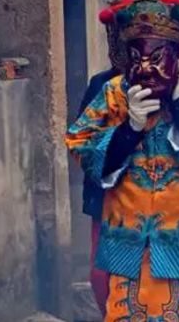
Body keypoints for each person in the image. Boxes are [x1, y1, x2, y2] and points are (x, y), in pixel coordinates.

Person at [65, 0, 179, 321]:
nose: (145, 68)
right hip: (125, 243)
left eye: (157, 56)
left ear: (178, 55)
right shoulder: (114, 95)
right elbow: (80, 146)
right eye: (135, 57)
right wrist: (128, 129)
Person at [76, 66, 120, 316]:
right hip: (108, 194)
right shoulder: (102, 84)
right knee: (102, 272)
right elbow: (84, 141)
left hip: (161, 199)